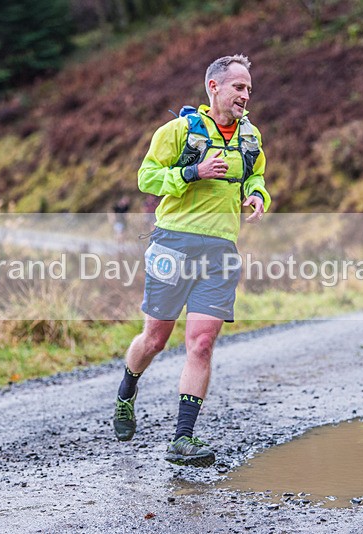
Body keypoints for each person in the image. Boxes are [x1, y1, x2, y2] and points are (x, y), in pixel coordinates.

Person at [112, 54, 270, 468]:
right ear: (214, 87)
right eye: (239, 87)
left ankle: (182, 438)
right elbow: (146, 178)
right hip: (173, 244)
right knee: (155, 339)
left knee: (201, 342)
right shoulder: (178, 131)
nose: (246, 95)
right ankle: (127, 392)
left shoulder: (250, 137)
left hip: (220, 250)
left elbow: (256, 175)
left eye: (249, 89)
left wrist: (257, 195)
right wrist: (192, 173)